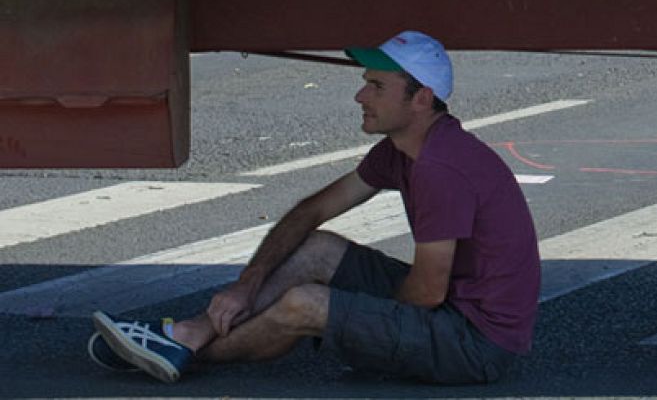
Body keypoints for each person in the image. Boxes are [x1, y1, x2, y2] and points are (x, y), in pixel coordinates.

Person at [88, 31, 541, 385]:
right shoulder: (402, 150)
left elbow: (425, 293)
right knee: (318, 249)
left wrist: (359, 324)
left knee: (306, 306)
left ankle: (184, 352)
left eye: (377, 86)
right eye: (365, 84)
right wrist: (246, 287)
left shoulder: (442, 166)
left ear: (421, 99)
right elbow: (313, 211)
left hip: (476, 344)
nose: (360, 97)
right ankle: (187, 335)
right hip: (447, 314)